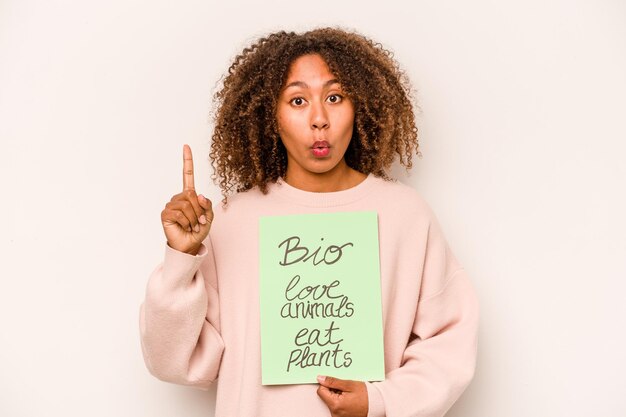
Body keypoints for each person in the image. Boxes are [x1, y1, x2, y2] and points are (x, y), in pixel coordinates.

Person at [139, 28, 479, 417]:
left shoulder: (406, 215)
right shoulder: (233, 221)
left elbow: (451, 341)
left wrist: (382, 400)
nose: (319, 119)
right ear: (272, 116)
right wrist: (181, 259)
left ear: (360, 106)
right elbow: (175, 362)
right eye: (297, 100)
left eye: (334, 97)